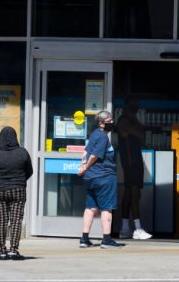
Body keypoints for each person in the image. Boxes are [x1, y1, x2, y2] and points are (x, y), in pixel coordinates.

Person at [76, 110, 124, 249]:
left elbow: (85, 152)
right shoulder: (103, 137)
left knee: (90, 207)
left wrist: (83, 167)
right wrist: (85, 167)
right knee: (107, 208)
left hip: (91, 178)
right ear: (101, 123)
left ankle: (84, 239)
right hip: (104, 177)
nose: (112, 123)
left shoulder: (94, 135)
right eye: (109, 121)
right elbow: (94, 155)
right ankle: (107, 240)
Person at [0, 126, 33, 260]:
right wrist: (19, 181)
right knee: (15, 220)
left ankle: (2, 251)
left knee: (1, 220)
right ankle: (13, 250)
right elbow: (29, 171)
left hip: (0, 190)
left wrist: (0, 181)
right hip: (18, 190)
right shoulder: (23, 153)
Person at [116, 97, 152, 239]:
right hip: (131, 160)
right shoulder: (124, 120)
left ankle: (125, 228)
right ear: (127, 106)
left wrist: (135, 123)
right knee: (134, 192)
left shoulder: (128, 120)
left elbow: (142, 138)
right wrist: (135, 121)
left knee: (129, 192)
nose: (136, 107)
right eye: (134, 104)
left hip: (133, 159)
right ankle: (137, 228)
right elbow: (141, 135)